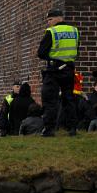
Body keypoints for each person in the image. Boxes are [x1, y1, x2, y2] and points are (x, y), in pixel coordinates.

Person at [37, 8, 80, 136]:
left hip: (54, 70)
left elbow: (41, 53)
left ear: (58, 18)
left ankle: (49, 130)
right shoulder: (74, 31)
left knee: (50, 100)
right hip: (69, 69)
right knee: (69, 99)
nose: (48, 22)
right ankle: (72, 129)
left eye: (50, 19)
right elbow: (77, 50)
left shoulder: (51, 32)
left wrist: (53, 57)